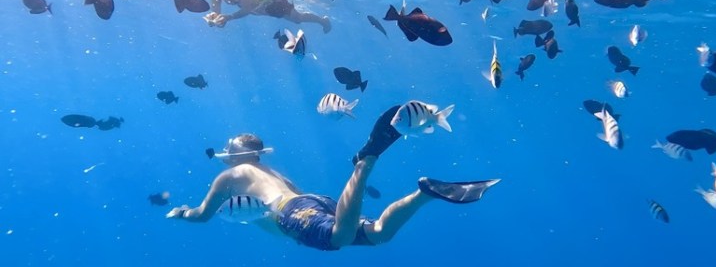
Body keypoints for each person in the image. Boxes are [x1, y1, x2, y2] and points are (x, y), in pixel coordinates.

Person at [166, 106, 501, 251]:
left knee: (338, 238)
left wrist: (182, 212)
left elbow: (202, 216)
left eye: (228, 147)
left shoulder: (231, 175)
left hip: (292, 212)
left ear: (238, 153)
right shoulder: (270, 171)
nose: (225, 151)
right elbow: (300, 197)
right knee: (378, 235)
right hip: (309, 203)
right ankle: (425, 193)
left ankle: (364, 162)